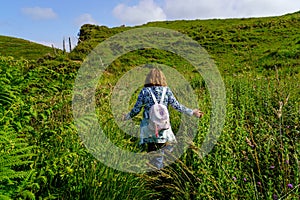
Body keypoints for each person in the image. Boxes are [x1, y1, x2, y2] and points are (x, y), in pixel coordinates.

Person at [124, 68, 203, 169]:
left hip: (148, 127)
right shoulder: (166, 91)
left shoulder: (144, 91)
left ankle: (153, 174)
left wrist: (126, 117)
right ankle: (159, 173)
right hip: (163, 127)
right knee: (163, 150)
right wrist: (192, 112)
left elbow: (136, 109)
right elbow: (177, 106)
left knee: (151, 152)